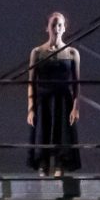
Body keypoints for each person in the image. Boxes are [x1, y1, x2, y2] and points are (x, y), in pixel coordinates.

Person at [26, 11, 81, 177]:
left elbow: (76, 83)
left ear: (64, 28)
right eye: (53, 25)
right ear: (47, 28)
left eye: (60, 25)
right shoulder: (37, 52)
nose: (57, 28)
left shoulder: (72, 53)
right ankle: (43, 165)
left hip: (63, 100)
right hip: (43, 99)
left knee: (62, 132)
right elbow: (31, 82)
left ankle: (59, 165)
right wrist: (31, 108)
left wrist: (76, 107)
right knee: (42, 131)